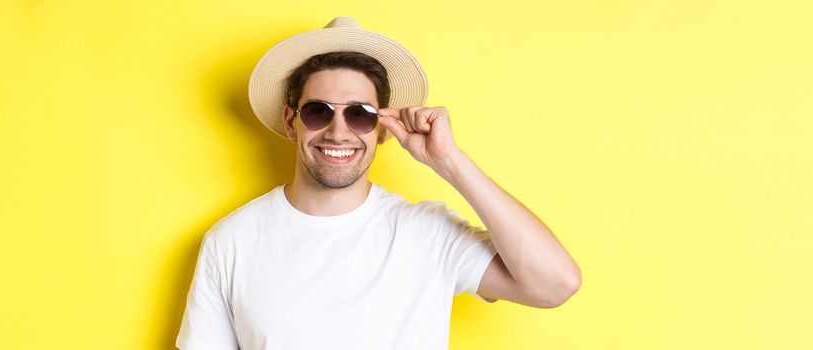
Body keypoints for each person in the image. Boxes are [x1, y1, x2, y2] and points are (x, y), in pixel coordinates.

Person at [176, 17, 581, 350]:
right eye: (318, 111)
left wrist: (450, 162)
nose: (338, 131)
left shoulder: (428, 233)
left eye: (361, 114)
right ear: (290, 121)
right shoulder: (231, 241)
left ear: (382, 129)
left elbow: (556, 284)